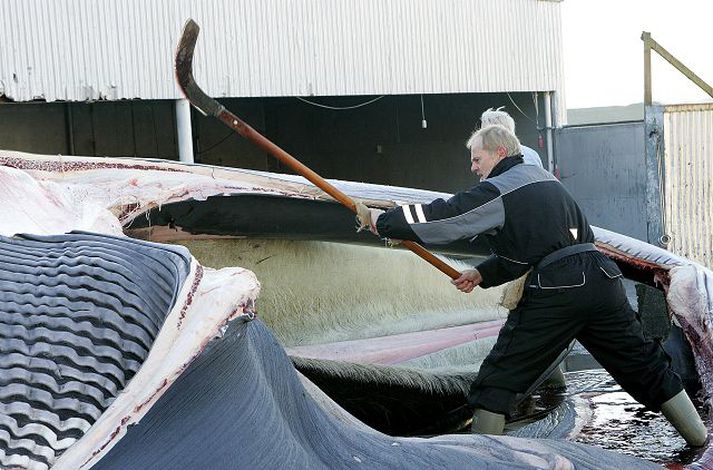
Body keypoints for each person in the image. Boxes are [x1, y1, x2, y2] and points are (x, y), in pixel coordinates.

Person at [355, 125, 707, 446]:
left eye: (477, 159)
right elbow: (532, 249)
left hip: (559, 288)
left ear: (499, 154)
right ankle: (700, 441)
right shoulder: (545, 181)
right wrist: (483, 274)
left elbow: (447, 216)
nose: (473, 168)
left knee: (499, 378)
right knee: (643, 364)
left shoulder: (501, 188)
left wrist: (381, 221)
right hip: (603, 279)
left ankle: (478, 459)